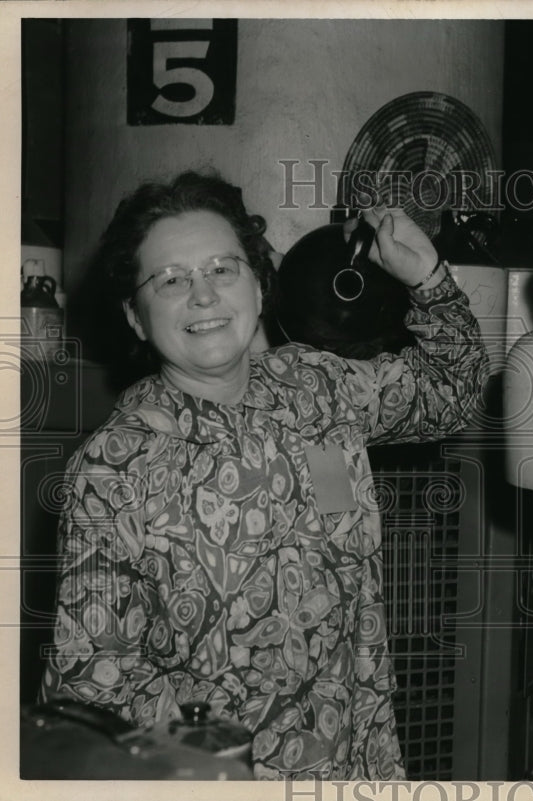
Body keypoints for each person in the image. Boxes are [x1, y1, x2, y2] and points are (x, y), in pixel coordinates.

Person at [39, 170, 489, 779]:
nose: (203, 296)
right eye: (170, 280)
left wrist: (426, 276)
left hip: (363, 766)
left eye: (223, 269)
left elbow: (451, 391)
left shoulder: (318, 389)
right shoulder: (115, 468)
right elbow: (87, 689)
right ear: (137, 316)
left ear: (257, 284)